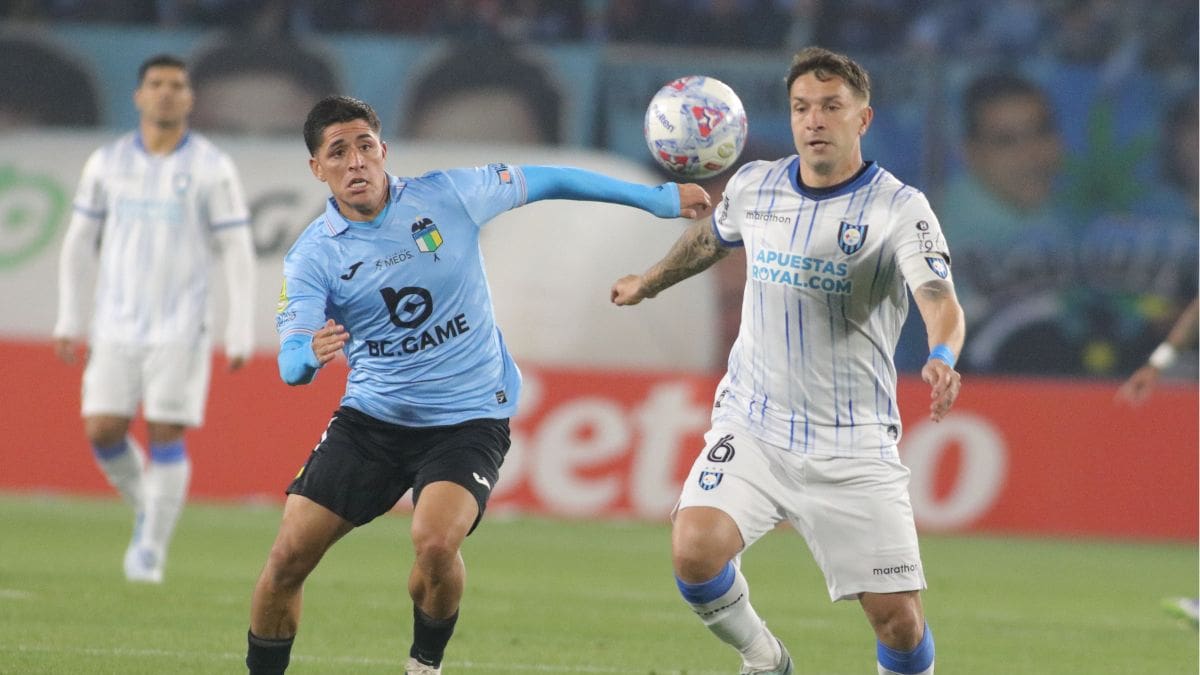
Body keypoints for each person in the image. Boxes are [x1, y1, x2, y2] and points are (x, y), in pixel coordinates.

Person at [244, 95, 712, 675]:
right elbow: (291, 357)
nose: (356, 161)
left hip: (468, 418)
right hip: (372, 419)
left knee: (436, 542)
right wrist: (306, 357)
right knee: (287, 558)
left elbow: (549, 178)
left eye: (365, 145)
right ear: (318, 168)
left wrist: (658, 198)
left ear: (383, 150)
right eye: (338, 152)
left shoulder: (447, 195)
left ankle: (424, 665)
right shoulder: (313, 255)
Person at [611, 47, 963, 675]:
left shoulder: (898, 208)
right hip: (754, 423)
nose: (814, 120)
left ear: (863, 119)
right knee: (695, 551)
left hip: (852, 443)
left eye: (831, 107)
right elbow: (709, 240)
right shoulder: (755, 184)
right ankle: (764, 657)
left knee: (898, 621)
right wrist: (650, 280)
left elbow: (938, 298)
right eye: (802, 107)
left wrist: (941, 354)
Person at [53, 53, 256, 583]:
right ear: (139, 95)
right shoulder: (107, 162)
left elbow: (237, 248)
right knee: (102, 430)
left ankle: (150, 549)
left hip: (180, 324)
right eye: (156, 84)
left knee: (166, 430)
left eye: (177, 85)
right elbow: (78, 242)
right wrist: (69, 316)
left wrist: (240, 328)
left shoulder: (212, 166)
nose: (166, 92)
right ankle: (151, 505)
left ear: (189, 99)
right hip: (114, 323)